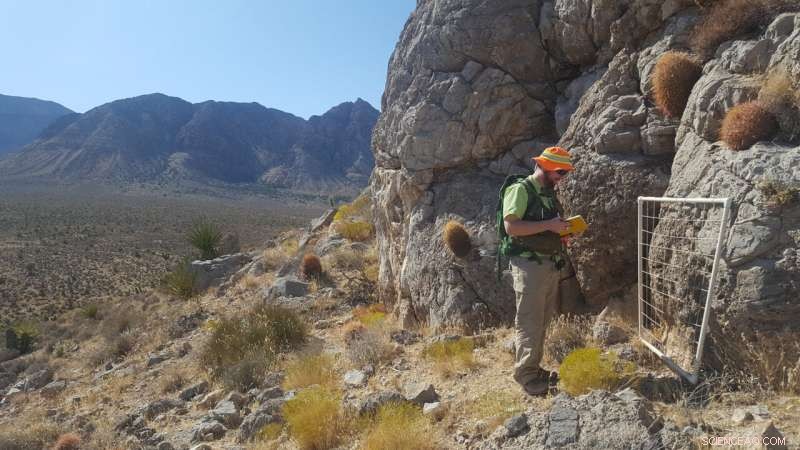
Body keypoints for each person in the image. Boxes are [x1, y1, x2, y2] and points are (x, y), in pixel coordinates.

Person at [501, 146, 574, 396]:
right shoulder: (520, 190)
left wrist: (561, 234)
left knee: (542, 320)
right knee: (530, 321)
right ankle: (526, 376)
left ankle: (533, 367)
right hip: (529, 266)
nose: (562, 177)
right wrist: (549, 226)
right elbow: (512, 227)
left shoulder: (547, 194)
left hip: (548, 263)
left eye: (564, 173)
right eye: (560, 172)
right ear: (545, 167)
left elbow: (546, 228)